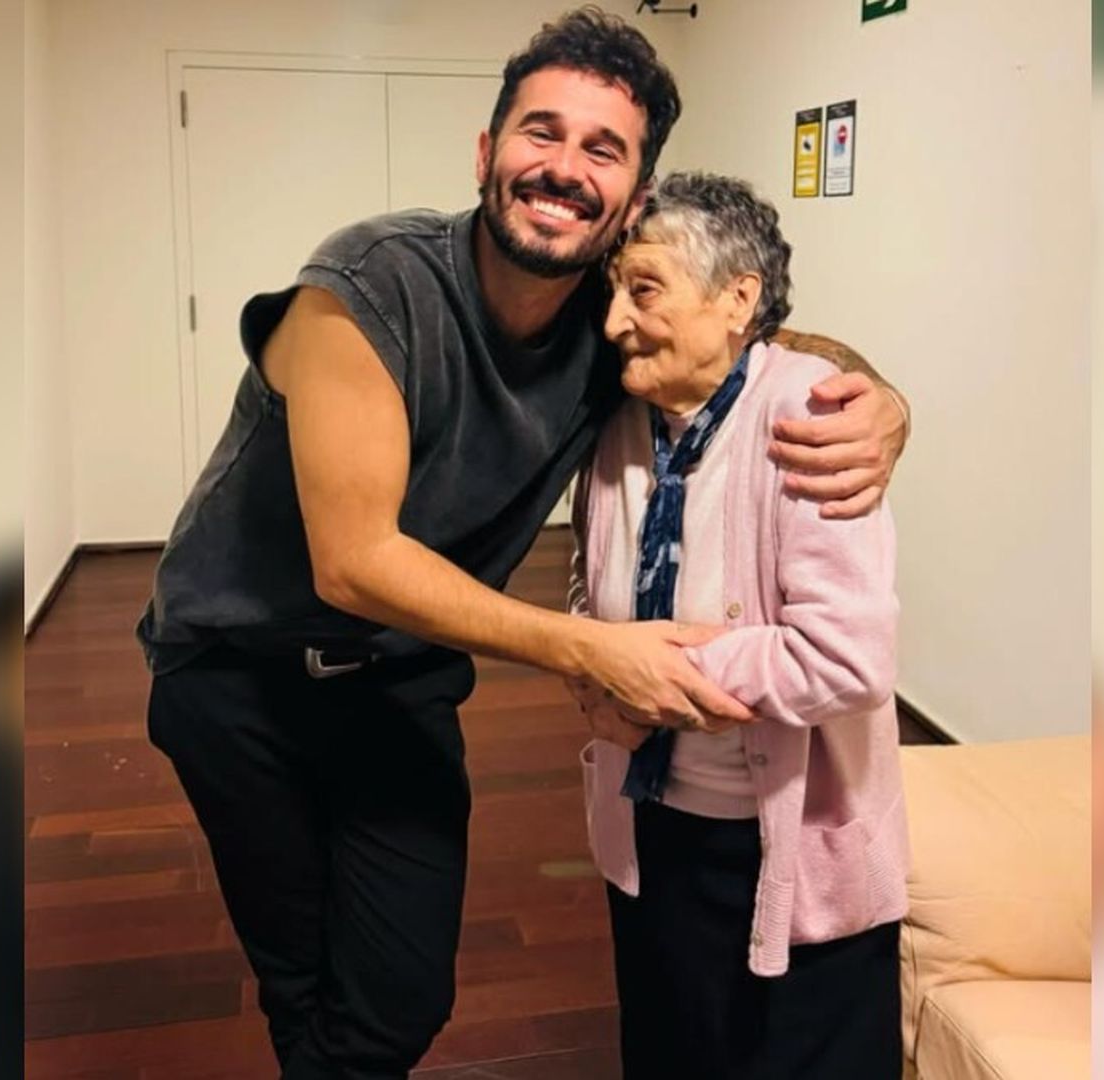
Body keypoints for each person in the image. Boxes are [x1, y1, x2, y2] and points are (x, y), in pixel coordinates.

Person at [138, 9, 910, 1076]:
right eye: (540, 133)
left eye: (603, 149)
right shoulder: (367, 287)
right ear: (487, 152)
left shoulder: (613, 319)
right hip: (237, 678)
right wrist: (587, 648)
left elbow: (752, 347)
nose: (564, 168)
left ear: (634, 196)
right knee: (303, 973)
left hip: (399, 683)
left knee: (402, 997)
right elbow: (354, 561)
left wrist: (884, 403)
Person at [568, 172, 906, 1078]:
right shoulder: (616, 423)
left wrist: (667, 670)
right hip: (650, 826)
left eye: (643, 290)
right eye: (612, 290)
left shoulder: (810, 416)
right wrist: (596, 678)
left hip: (790, 855)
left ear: (738, 301)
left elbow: (849, 658)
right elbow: (584, 590)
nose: (613, 322)